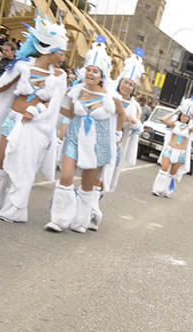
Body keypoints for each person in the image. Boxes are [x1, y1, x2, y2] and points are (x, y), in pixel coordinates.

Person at [0, 15, 68, 223]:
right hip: (12, 119)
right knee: (1, 159)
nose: (63, 56)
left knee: (22, 165)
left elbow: (54, 103)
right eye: (61, 52)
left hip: (31, 126)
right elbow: (0, 86)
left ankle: (15, 208)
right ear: (51, 51)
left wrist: (37, 111)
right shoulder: (23, 65)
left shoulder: (59, 77)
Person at [44, 37, 122, 233]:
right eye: (88, 69)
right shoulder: (77, 91)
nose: (90, 73)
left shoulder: (110, 96)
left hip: (97, 143)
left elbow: (121, 114)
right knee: (66, 176)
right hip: (74, 138)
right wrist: (52, 107)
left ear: (102, 75)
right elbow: (71, 113)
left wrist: (118, 132)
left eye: (95, 71)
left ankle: (80, 220)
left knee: (88, 185)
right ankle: (59, 219)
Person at [107, 49, 145, 198]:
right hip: (102, 140)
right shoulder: (109, 96)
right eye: (125, 82)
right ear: (120, 82)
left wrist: (133, 122)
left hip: (117, 147)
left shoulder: (134, 105)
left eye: (130, 84)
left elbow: (139, 128)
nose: (127, 86)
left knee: (107, 180)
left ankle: (92, 208)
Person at [151, 96, 193, 198]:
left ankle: (166, 191)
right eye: (183, 115)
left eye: (187, 116)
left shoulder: (190, 128)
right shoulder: (175, 124)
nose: (185, 117)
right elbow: (164, 119)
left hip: (181, 153)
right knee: (164, 170)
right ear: (180, 116)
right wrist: (176, 111)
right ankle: (157, 189)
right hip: (170, 149)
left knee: (172, 173)